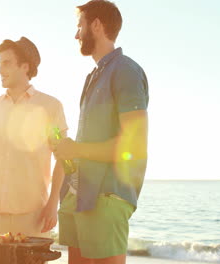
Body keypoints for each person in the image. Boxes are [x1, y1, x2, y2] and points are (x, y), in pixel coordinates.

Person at [54, 1, 149, 263]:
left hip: (107, 195)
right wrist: (65, 150)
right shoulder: (93, 76)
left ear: (96, 25)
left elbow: (135, 145)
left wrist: (76, 149)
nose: (76, 35)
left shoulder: (126, 71)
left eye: (80, 26)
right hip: (79, 194)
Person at [0, 37, 67, 237]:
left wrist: (53, 203)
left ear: (25, 67)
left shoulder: (51, 107)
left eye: (6, 63)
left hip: (33, 215)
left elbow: (63, 156)